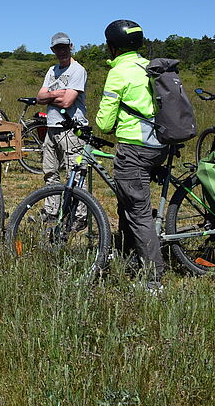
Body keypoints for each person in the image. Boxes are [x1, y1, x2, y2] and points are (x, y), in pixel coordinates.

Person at [95, 19, 168, 292]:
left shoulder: (119, 72)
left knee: (138, 212)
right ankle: (131, 256)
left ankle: (153, 280)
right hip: (158, 144)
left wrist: (104, 123)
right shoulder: (148, 66)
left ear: (112, 46)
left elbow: (104, 122)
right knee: (128, 202)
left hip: (135, 147)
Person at [36, 32, 88, 225]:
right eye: (58, 48)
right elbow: (39, 98)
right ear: (53, 50)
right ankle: (52, 211)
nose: (62, 51)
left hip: (71, 129)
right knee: (50, 171)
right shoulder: (52, 70)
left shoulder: (77, 70)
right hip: (52, 126)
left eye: (65, 47)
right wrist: (55, 94)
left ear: (71, 46)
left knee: (75, 174)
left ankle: (80, 215)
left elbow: (67, 102)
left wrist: (50, 95)